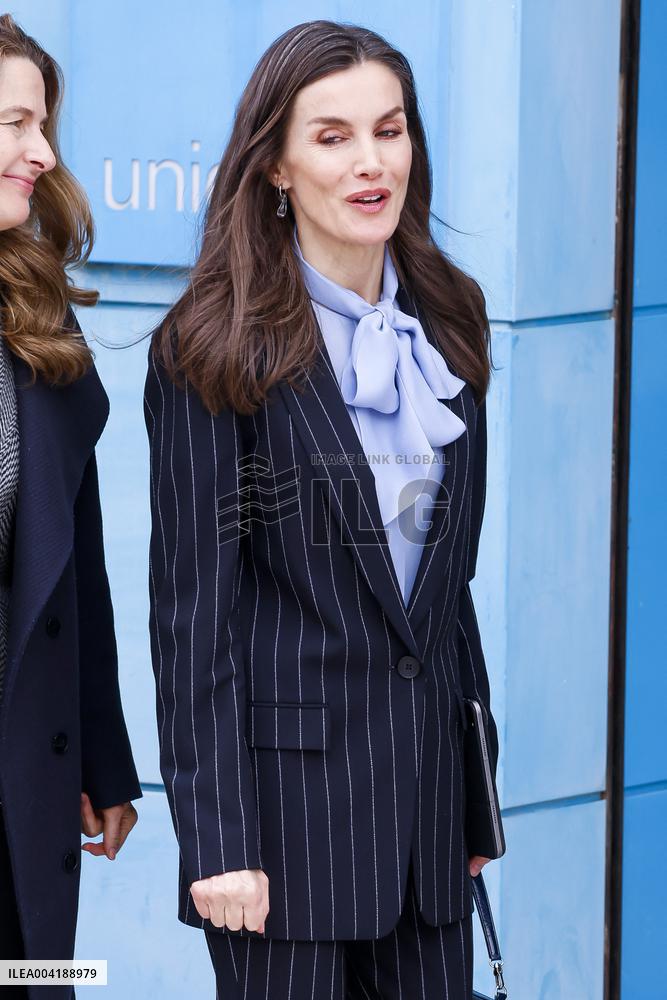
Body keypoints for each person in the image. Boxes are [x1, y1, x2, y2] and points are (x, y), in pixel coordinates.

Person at [145, 19, 504, 1000]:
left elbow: (446, 593)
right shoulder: (210, 347)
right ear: (275, 167)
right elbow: (195, 622)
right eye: (333, 137)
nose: (370, 161)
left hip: (428, 832)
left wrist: (473, 802)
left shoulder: (453, 317)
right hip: (278, 839)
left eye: (388, 130)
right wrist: (215, 838)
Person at [0, 14, 141, 996]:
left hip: (19, 773)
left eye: (41, 124)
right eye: (13, 123)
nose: (42, 152)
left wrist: (102, 750)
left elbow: (71, 568)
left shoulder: (36, 321)